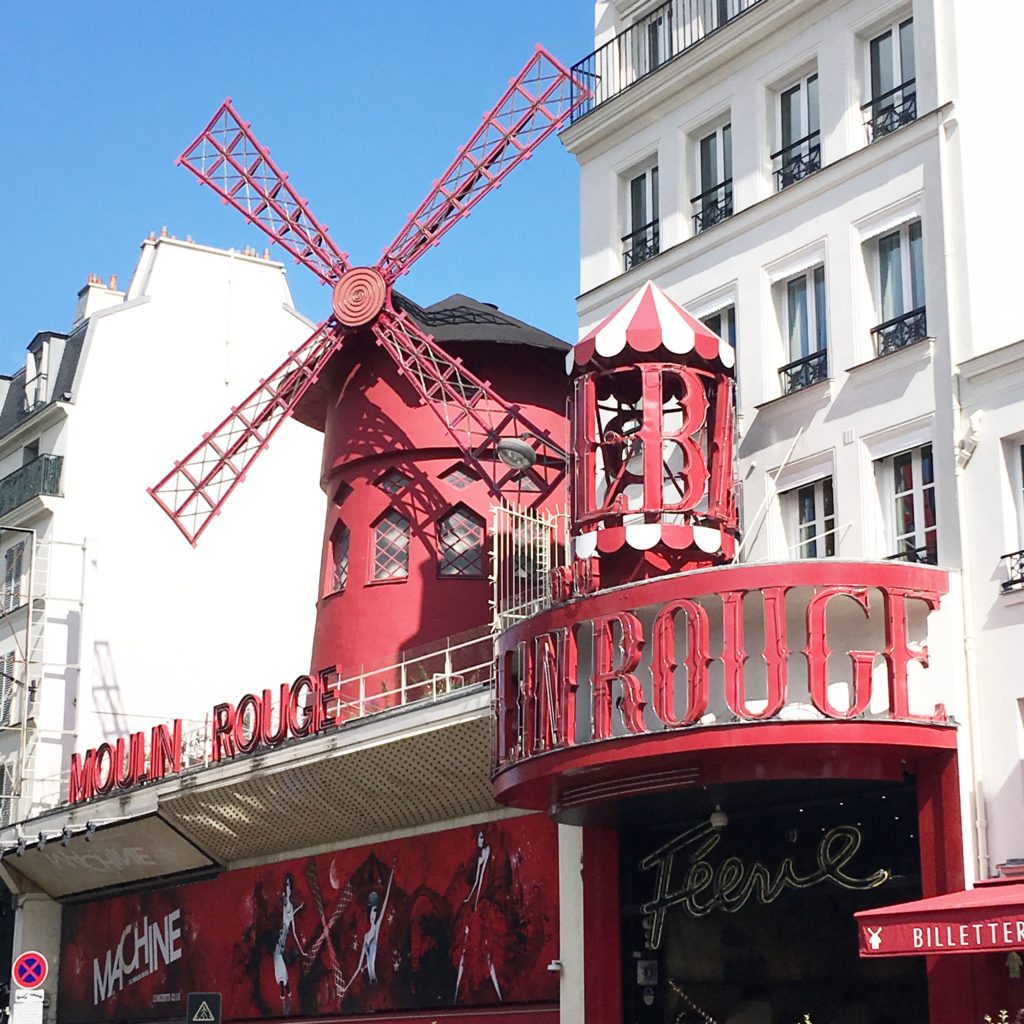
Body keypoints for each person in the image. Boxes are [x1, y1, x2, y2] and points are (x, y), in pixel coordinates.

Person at [273, 874, 306, 1014]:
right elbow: (285, 897)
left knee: (282, 973)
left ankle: (285, 996)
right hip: (280, 944)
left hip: (282, 941)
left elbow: (292, 927)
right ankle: (286, 995)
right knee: (281, 972)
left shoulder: (290, 914)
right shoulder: (286, 902)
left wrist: (302, 951)